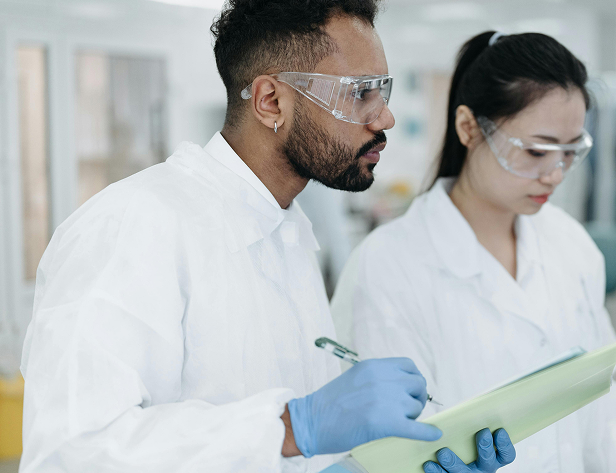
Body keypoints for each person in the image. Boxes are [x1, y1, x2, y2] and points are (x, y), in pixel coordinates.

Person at [18, 3, 514, 472]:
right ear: (271, 100)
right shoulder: (134, 224)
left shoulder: (286, 231)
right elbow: (70, 453)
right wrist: (294, 426)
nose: (383, 118)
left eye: (382, 92)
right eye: (359, 92)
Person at [331, 31, 616, 473]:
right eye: (537, 150)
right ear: (468, 127)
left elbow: (603, 406)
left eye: (569, 152)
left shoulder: (570, 244)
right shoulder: (391, 264)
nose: (555, 175)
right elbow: (394, 445)